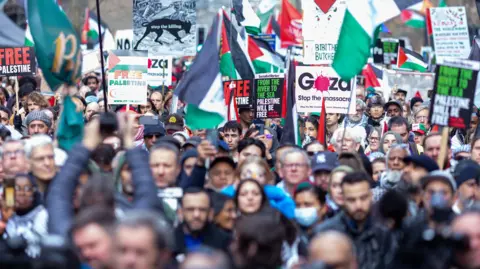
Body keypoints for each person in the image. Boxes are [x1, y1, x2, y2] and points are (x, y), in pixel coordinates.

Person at [313, 172, 394, 269]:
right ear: (343, 199)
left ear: (371, 196)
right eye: (352, 200)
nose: (358, 205)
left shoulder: (385, 232)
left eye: (363, 198)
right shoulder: (325, 233)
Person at [174, 187, 231, 255]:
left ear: (210, 213)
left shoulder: (226, 243)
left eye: (202, 209)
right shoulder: (168, 241)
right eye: (190, 209)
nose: (196, 215)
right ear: (180, 213)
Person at [4, 173, 48, 258]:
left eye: (27, 189)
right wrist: (9, 205)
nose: (22, 193)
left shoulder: (43, 214)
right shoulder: (5, 215)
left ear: (34, 192)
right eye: (16, 189)